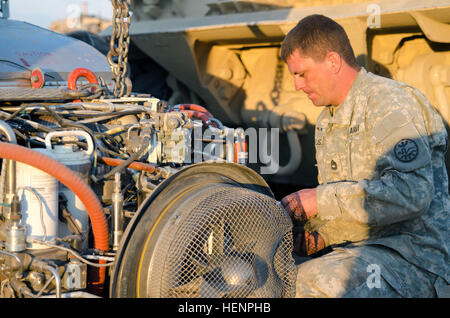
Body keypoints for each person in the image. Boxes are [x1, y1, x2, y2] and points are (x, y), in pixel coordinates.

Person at [280, 14, 449, 297]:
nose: (297, 85)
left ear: (333, 62)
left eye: (302, 73)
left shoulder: (390, 103)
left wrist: (318, 200)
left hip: (418, 261)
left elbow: (411, 195)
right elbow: (359, 206)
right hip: (369, 252)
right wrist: (325, 236)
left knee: (311, 282)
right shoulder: (328, 119)